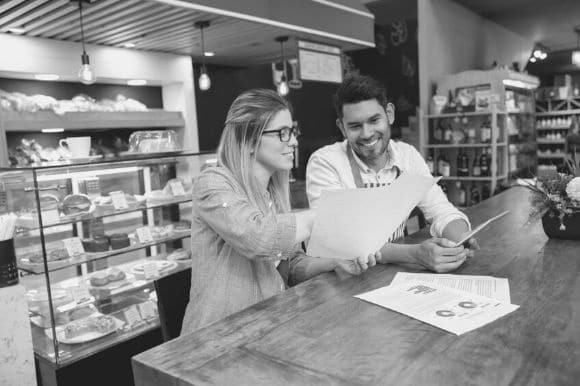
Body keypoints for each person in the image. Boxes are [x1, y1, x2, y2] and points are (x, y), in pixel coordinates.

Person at [181, 89, 379, 335]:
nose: (294, 141)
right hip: (215, 338)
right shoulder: (212, 183)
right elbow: (258, 238)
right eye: (283, 133)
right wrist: (323, 215)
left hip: (264, 327)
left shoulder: (272, 194)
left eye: (293, 132)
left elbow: (292, 266)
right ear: (249, 139)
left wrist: (334, 263)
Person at [306, 74, 476, 273]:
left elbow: (441, 210)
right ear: (342, 128)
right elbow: (339, 239)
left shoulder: (408, 156)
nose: (367, 133)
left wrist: (459, 240)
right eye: (355, 126)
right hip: (342, 277)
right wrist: (414, 254)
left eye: (374, 120)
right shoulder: (326, 162)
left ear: (389, 114)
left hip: (392, 272)